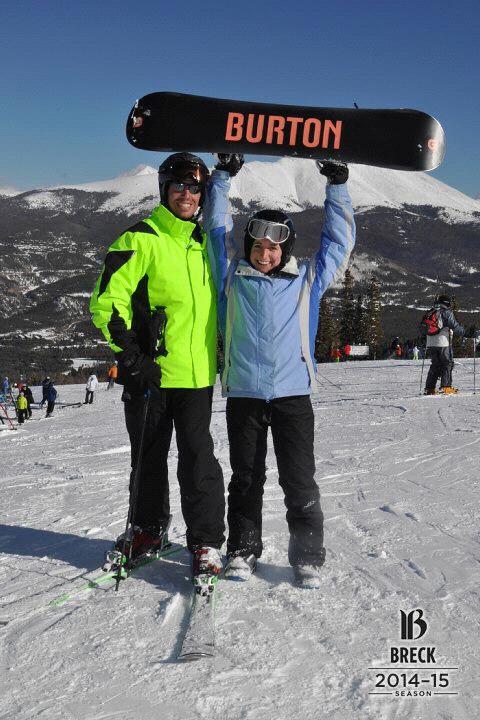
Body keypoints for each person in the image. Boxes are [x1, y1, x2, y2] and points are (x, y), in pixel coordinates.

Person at [204, 155, 355, 587]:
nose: (265, 254)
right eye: (257, 247)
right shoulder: (231, 279)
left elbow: (338, 243)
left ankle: (306, 556)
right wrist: (222, 178)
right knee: (246, 479)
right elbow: (215, 232)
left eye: (272, 248)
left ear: (284, 249)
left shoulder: (307, 279)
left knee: (299, 479)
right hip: (245, 395)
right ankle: (242, 550)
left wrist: (337, 186)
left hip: (293, 396)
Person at [90, 152, 225, 578]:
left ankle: (205, 541)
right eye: (179, 186)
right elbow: (106, 301)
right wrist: (131, 357)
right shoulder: (141, 238)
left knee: (198, 460)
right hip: (150, 374)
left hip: (197, 376)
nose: (187, 194)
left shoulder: (205, 243)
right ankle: (148, 530)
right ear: (164, 190)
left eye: (195, 188)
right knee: (148, 458)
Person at [421, 294, 465, 394]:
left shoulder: (431, 311)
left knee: (435, 364)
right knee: (447, 363)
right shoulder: (446, 312)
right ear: (447, 303)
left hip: (430, 342)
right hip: (443, 342)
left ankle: (429, 388)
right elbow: (454, 326)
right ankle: (446, 387)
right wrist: (464, 332)